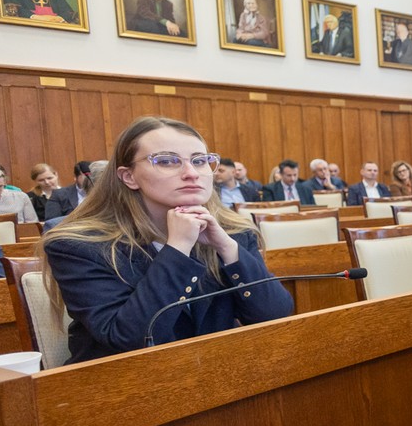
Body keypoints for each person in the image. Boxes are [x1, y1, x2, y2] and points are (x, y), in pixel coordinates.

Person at [41, 116, 293, 364]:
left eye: (200, 161)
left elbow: (275, 316)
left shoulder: (232, 232)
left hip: (215, 373)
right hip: (126, 381)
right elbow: (130, 340)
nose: (191, 173)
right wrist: (178, 248)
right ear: (129, 176)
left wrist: (226, 248)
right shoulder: (79, 245)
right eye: (167, 161)